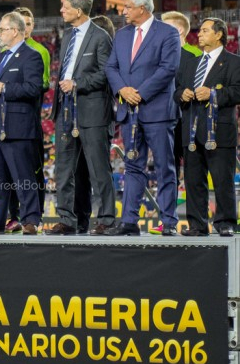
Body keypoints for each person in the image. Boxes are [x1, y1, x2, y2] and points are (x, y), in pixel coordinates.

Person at [104, 0, 180, 236]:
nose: (123, 11)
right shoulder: (122, 35)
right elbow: (110, 67)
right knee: (132, 166)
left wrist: (141, 93)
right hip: (129, 112)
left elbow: (169, 69)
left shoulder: (168, 33)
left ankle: (168, 220)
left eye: (127, 7)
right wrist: (123, 90)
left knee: (164, 166)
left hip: (157, 111)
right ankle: (129, 221)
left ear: (142, 8)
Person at [46, 0, 115, 236]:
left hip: (92, 110)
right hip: (65, 110)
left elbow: (107, 74)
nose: (61, 10)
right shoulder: (67, 36)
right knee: (64, 169)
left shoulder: (100, 36)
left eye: (65, 6)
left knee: (98, 168)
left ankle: (106, 219)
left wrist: (77, 83)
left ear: (78, 9)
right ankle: (67, 219)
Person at [0, 12, 44, 235]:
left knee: (24, 177)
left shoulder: (31, 56)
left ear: (15, 31)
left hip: (18, 127)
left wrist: (3, 88)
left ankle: (31, 219)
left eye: (2, 29)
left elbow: (34, 89)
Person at [175, 18, 240, 236]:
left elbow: (237, 92)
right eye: (199, 31)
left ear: (218, 34)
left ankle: (225, 223)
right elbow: (177, 89)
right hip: (191, 131)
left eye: (204, 31)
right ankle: (197, 224)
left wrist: (213, 94)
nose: (199, 34)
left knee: (222, 180)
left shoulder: (233, 62)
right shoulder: (192, 62)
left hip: (219, 132)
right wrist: (182, 94)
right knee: (193, 180)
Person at [149, 11, 204, 235]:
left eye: (165, 26)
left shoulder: (196, 55)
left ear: (178, 30)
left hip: (188, 120)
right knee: (167, 171)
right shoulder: (157, 55)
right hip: (164, 118)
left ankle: (197, 223)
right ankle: (167, 221)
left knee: (193, 173)